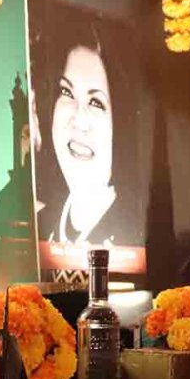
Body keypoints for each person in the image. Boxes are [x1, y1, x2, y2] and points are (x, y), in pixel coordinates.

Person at [31, 22, 137, 248]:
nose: (78, 120)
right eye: (67, 92)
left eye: (96, 102)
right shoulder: (35, 230)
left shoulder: (133, 238)